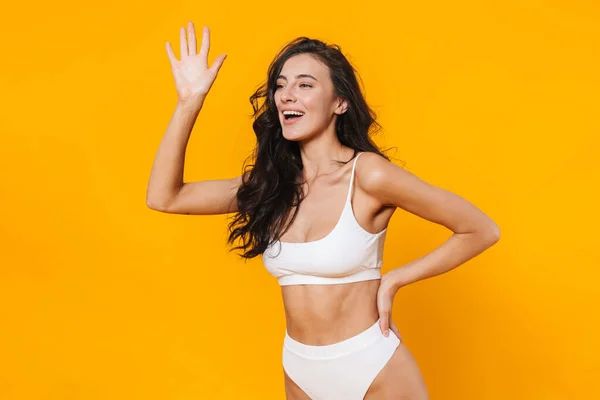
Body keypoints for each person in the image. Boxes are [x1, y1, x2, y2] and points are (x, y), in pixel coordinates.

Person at [146, 21, 501, 400]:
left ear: (339, 102)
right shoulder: (271, 187)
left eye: (305, 84)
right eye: (280, 85)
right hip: (300, 369)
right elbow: (165, 198)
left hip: (372, 368)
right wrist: (189, 103)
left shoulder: (368, 175)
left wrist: (395, 279)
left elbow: (480, 229)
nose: (286, 96)